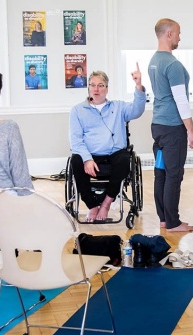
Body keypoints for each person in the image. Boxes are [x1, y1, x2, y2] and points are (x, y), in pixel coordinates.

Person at [69, 65, 145, 222]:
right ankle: (92, 205)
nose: (96, 89)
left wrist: (138, 86)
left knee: (125, 159)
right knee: (76, 160)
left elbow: (137, 110)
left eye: (100, 85)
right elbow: (76, 140)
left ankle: (106, 203)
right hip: (90, 157)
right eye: (92, 85)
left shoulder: (118, 107)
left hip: (114, 155)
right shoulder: (77, 110)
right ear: (88, 87)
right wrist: (87, 158)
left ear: (107, 89)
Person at [148, 18, 193, 233]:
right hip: (172, 127)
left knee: (161, 173)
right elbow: (181, 100)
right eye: (178, 33)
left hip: (158, 125)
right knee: (173, 175)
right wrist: (191, 131)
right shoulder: (172, 64)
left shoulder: (154, 61)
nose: (180, 37)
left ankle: (163, 219)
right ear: (169, 34)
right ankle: (173, 222)